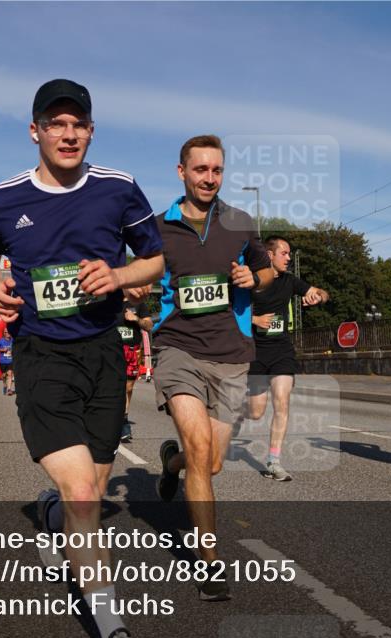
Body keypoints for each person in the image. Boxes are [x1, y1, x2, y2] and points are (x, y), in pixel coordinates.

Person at [0, 79, 163, 638]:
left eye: (78, 123)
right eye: (56, 123)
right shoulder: (2, 199)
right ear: (36, 131)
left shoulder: (119, 188)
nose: (68, 133)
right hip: (41, 356)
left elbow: (155, 258)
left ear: (91, 131)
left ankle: (50, 514)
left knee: (92, 492)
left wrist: (120, 276)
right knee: (83, 492)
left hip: (104, 352)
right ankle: (115, 634)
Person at [153, 134, 275, 600]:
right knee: (201, 445)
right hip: (177, 347)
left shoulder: (240, 222)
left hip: (230, 354)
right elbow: (142, 272)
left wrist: (252, 276)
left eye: (217, 170)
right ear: (181, 172)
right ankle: (210, 564)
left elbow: (265, 271)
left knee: (212, 462)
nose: (209, 177)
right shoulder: (158, 227)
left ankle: (171, 464)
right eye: (200, 169)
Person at [243, 236, 329, 481]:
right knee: (256, 412)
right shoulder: (252, 281)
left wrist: (317, 297)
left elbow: (323, 293)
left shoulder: (290, 281)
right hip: (256, 352)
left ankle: (273, 461)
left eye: (289, 254)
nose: (289, 258)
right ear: (269, 255)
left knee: (282, 402)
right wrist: (254, 320)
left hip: (281, 350)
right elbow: (230, 310)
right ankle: (237, 410)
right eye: (284, 253)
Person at [117, 298, 153, 442]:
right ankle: (112, 419)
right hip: (113, 350)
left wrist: (135, 318)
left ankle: (123, 421)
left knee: (128, 387)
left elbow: (149, 325)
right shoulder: (110, 302)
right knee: (112, 385)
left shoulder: (138, 304)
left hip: (132, 350)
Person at [0, 329, 15, 396]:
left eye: (8, 332)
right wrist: (2, 349)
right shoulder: (1, 340)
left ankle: (9, 389)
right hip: (2, 361)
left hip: (10, 360)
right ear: (4, 333)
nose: (7, 333)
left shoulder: (13, 340)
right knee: (4, 376)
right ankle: (5, 385)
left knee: (10, 373)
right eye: (5, 332)